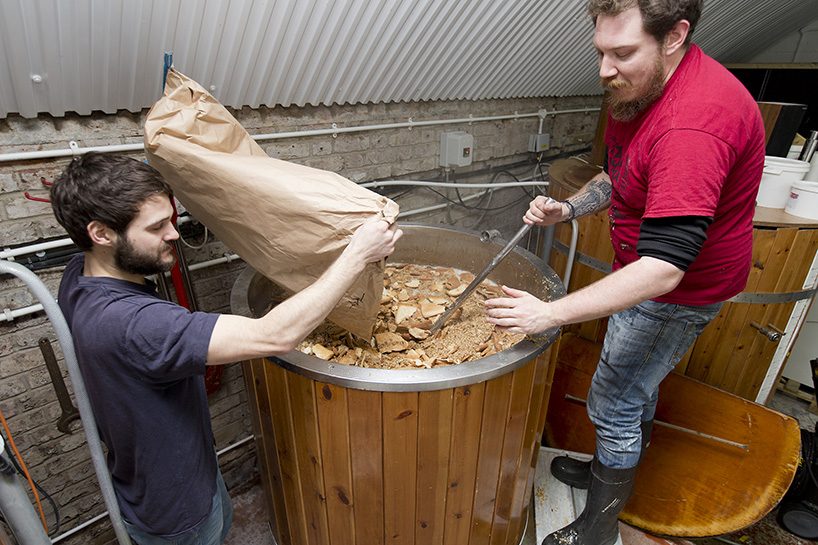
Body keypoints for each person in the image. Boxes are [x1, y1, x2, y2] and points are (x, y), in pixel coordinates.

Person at [484, 1, 765, 544]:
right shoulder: (639, 88)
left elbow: (662, 271)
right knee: (635, 382)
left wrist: (549, 313)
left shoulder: (695, 123)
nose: (604, 70)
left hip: (677, 289)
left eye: (623, 53)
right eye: (600, 52)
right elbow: (622, 175)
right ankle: (604, 472)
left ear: (676, 35)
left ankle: (598, 526)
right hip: (647, 270)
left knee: (612, 399)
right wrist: (567, 210)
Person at [50, 153, 402, 545]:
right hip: (177, 508)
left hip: (167, 468)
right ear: (101, 234)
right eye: (156, 227)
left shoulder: (79, 275)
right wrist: (357, 254)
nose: (174, 234)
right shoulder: (133, 323)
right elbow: (274, 336)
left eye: (171, 218)